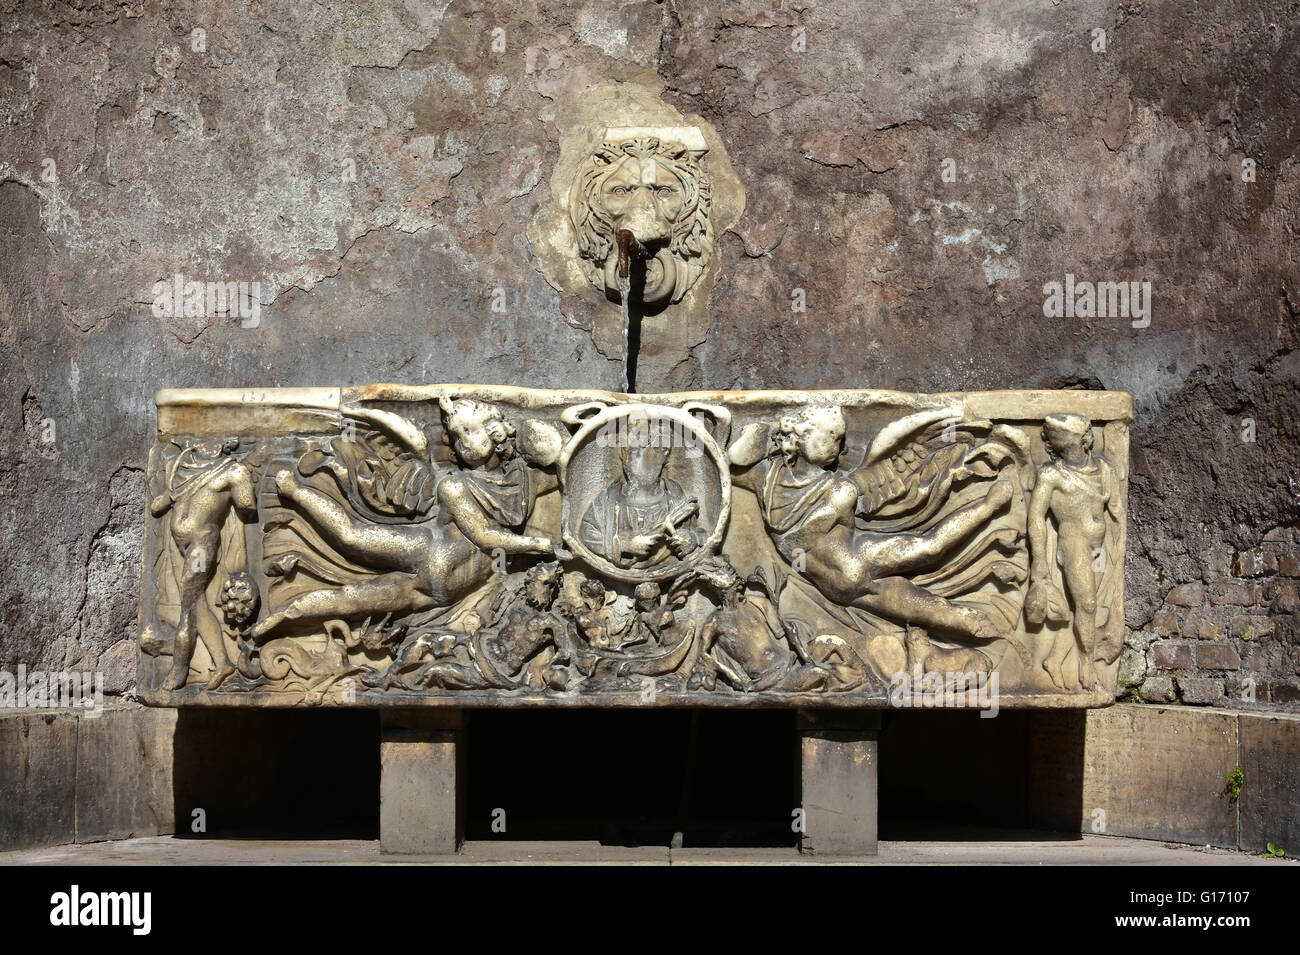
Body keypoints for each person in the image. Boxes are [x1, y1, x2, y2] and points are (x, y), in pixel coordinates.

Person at [732, 406, 1014, 641]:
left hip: (857, 564)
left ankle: (991, 505)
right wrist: (754, 430)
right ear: (800, 438)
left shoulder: (839, 490)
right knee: (932, 603)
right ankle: (1007, 648)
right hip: (842, 585)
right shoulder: (768, 481)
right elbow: (728, 466)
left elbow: (799, 537)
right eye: (831, 437)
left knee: (931, 551)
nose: (838, 448)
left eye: (841, 439)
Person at [150, 437, 257, 689]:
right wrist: (171, 495)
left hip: (202, 546)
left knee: (188, 605)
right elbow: (157, 507)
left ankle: (179, 670)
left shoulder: (234, 471)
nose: (205, 444)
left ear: (227, 443)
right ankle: (222, 664)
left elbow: (247, 507)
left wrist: (243, 482)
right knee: (197, 605)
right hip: (183, 546)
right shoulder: (183, 467)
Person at [1026, 413, 1120, 690]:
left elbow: (1115, 510)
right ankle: (1087, 668)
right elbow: (1036, 518)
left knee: (1084, 609)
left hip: (1099, 547)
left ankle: (1055, 660)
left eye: (1080, 438)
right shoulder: (1051, 475)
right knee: (1088, 605)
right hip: (1073, 543)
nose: (1077, 444)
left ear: (1084, 440)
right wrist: (1040, 563)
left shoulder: (1103, 469)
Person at [579, 415, 703, 569]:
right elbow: (586, 531)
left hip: (668, 573)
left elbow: (701, 534)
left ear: (666, 457)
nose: (646, 456)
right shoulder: (607, 500)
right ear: (624, 455)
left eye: (658, 449)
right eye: (637, 448)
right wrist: (625, 546)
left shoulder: (677, 499)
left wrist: (691, 540)